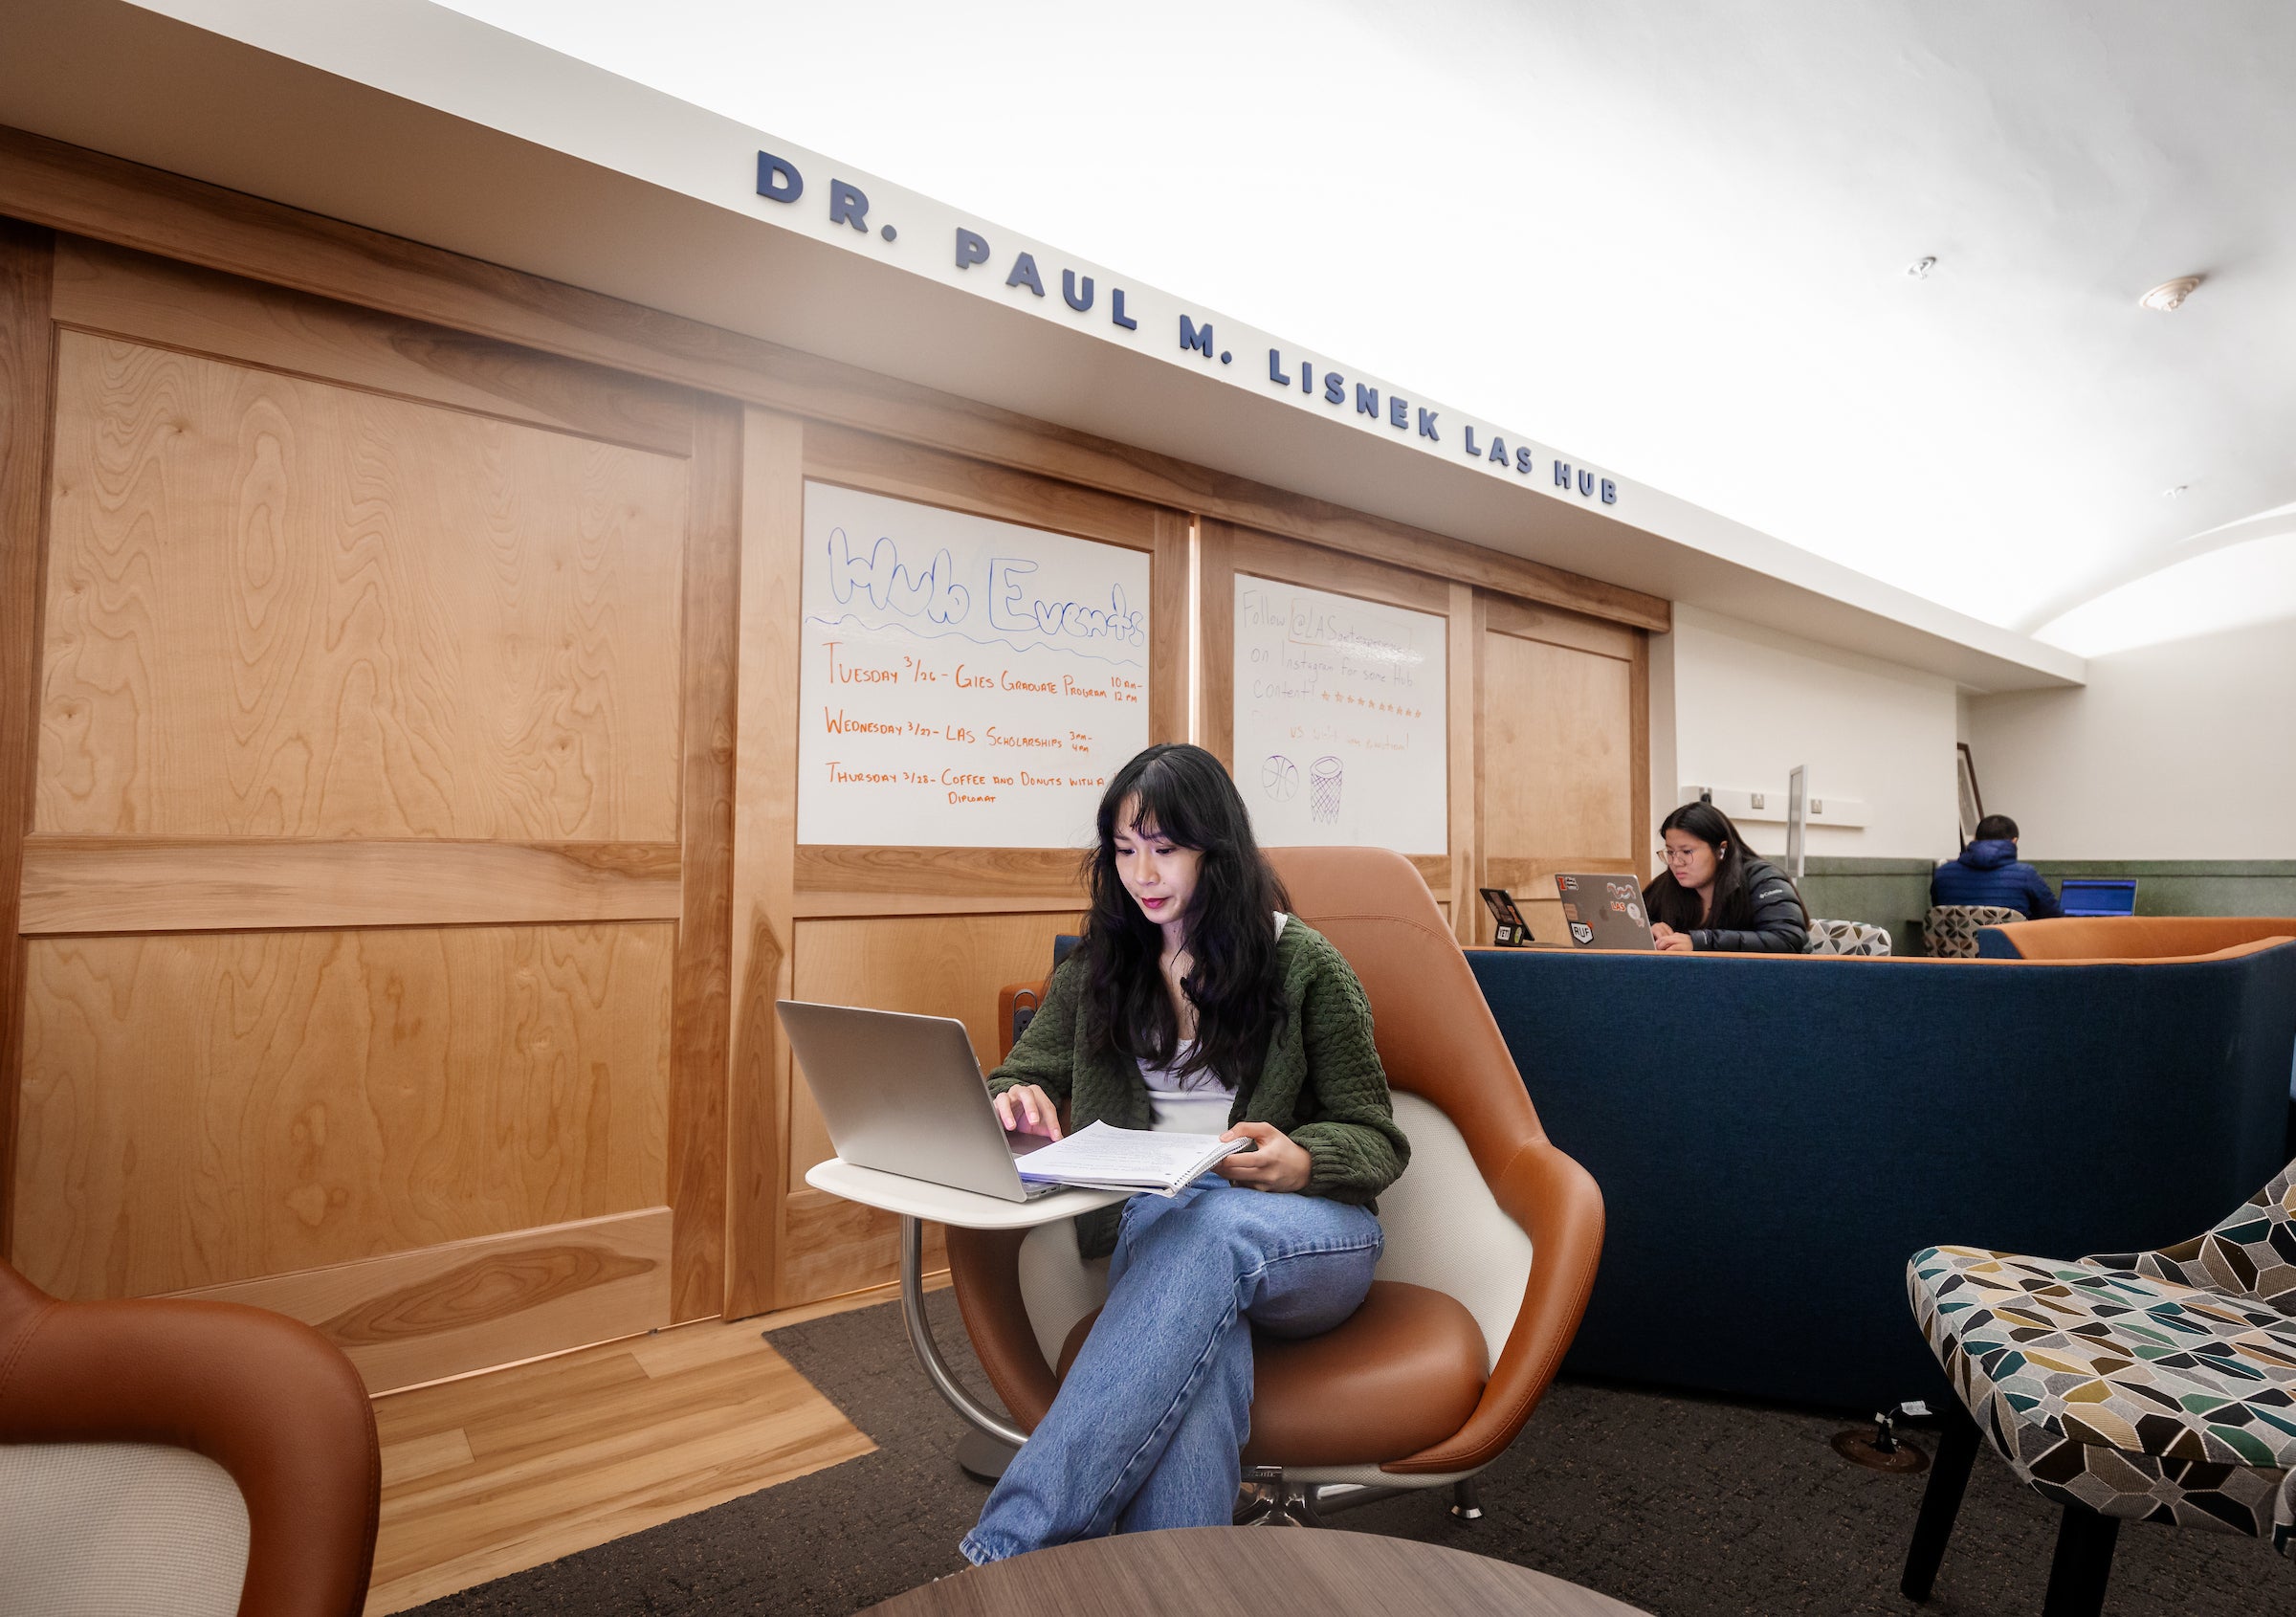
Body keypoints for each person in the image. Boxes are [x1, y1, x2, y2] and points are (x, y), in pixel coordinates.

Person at [961, 742, 1408, 1564]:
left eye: (1166, 848)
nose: (1144, 874)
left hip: (1309, 1239)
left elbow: (1377, 1138)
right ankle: (1176, 1586)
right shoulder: (1100, 964)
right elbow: (1024, 1068)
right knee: (1198, 1365)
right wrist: (1014, 1097)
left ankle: (1012, 1549)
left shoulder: (1304, 966)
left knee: (1200, 1217)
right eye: (1126, 851)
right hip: (1161, 1237)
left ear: (1218, 850)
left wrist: (1300, 1160)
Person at [1643, 801, 1809, 953]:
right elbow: (1627, 921)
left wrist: (1702, 942)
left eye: (1687, 852)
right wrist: (1647, 929)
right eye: (1670, 852)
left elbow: (1786, 939)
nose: (1676, 862)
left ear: (1721, 850)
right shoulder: (1668, 883)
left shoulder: (1763, 879)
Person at [1931, 813, 2062, 919]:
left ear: (1974, 838)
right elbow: (2054, 916)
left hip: (1954, 950)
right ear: (2014, 842)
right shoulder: (2026, 875)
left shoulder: (1943, 873)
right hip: (2010, 950)